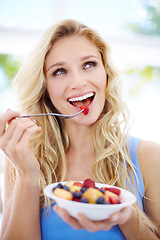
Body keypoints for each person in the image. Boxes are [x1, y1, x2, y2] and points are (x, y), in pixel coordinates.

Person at [0, 19, 160, 240]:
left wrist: (129, 218)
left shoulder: (149, 157)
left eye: (89, 65)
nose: (78, 82)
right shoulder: (22, 159)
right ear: (45, 88)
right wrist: (27, 176)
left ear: (106, 73)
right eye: (59, 71)